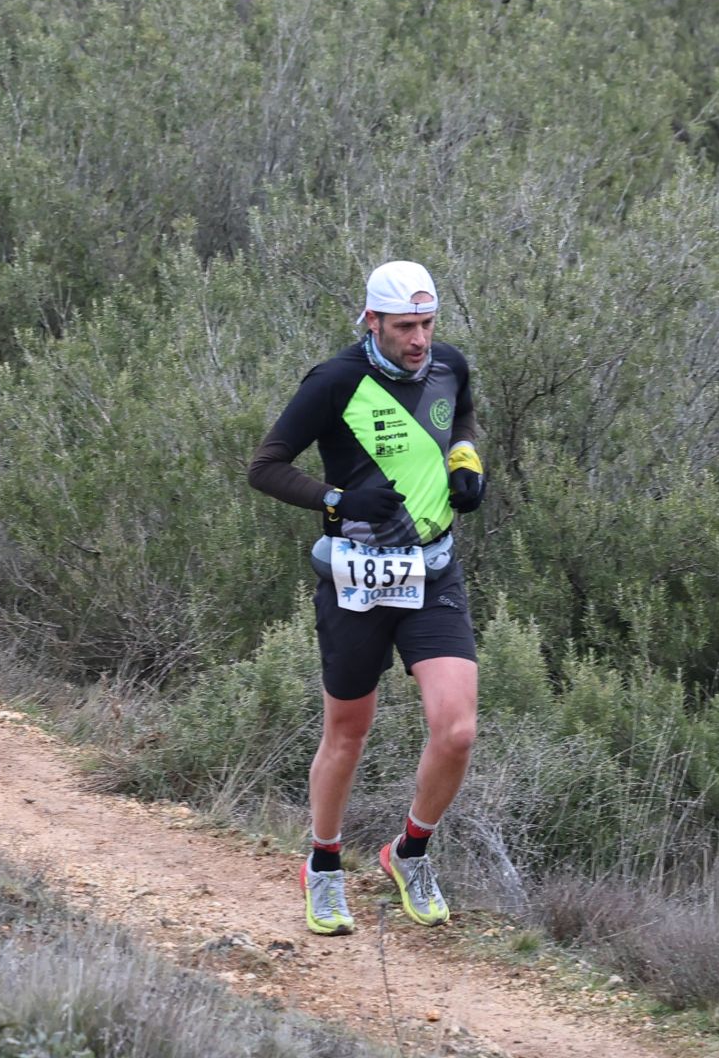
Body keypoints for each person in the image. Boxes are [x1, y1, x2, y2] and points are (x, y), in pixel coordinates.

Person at [245, 260, 488, 937]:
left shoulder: (449, 366)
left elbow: (461, 418)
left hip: (432, 571)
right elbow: (265, 467)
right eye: (405, 326)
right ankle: (322, 866)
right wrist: (338, 499)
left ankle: (409, 852)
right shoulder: (335, 381)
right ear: (372, 322)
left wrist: (466, 464)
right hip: (356, 577)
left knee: (458, 729)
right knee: (348, 732)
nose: (419, 340)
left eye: (428, 324)